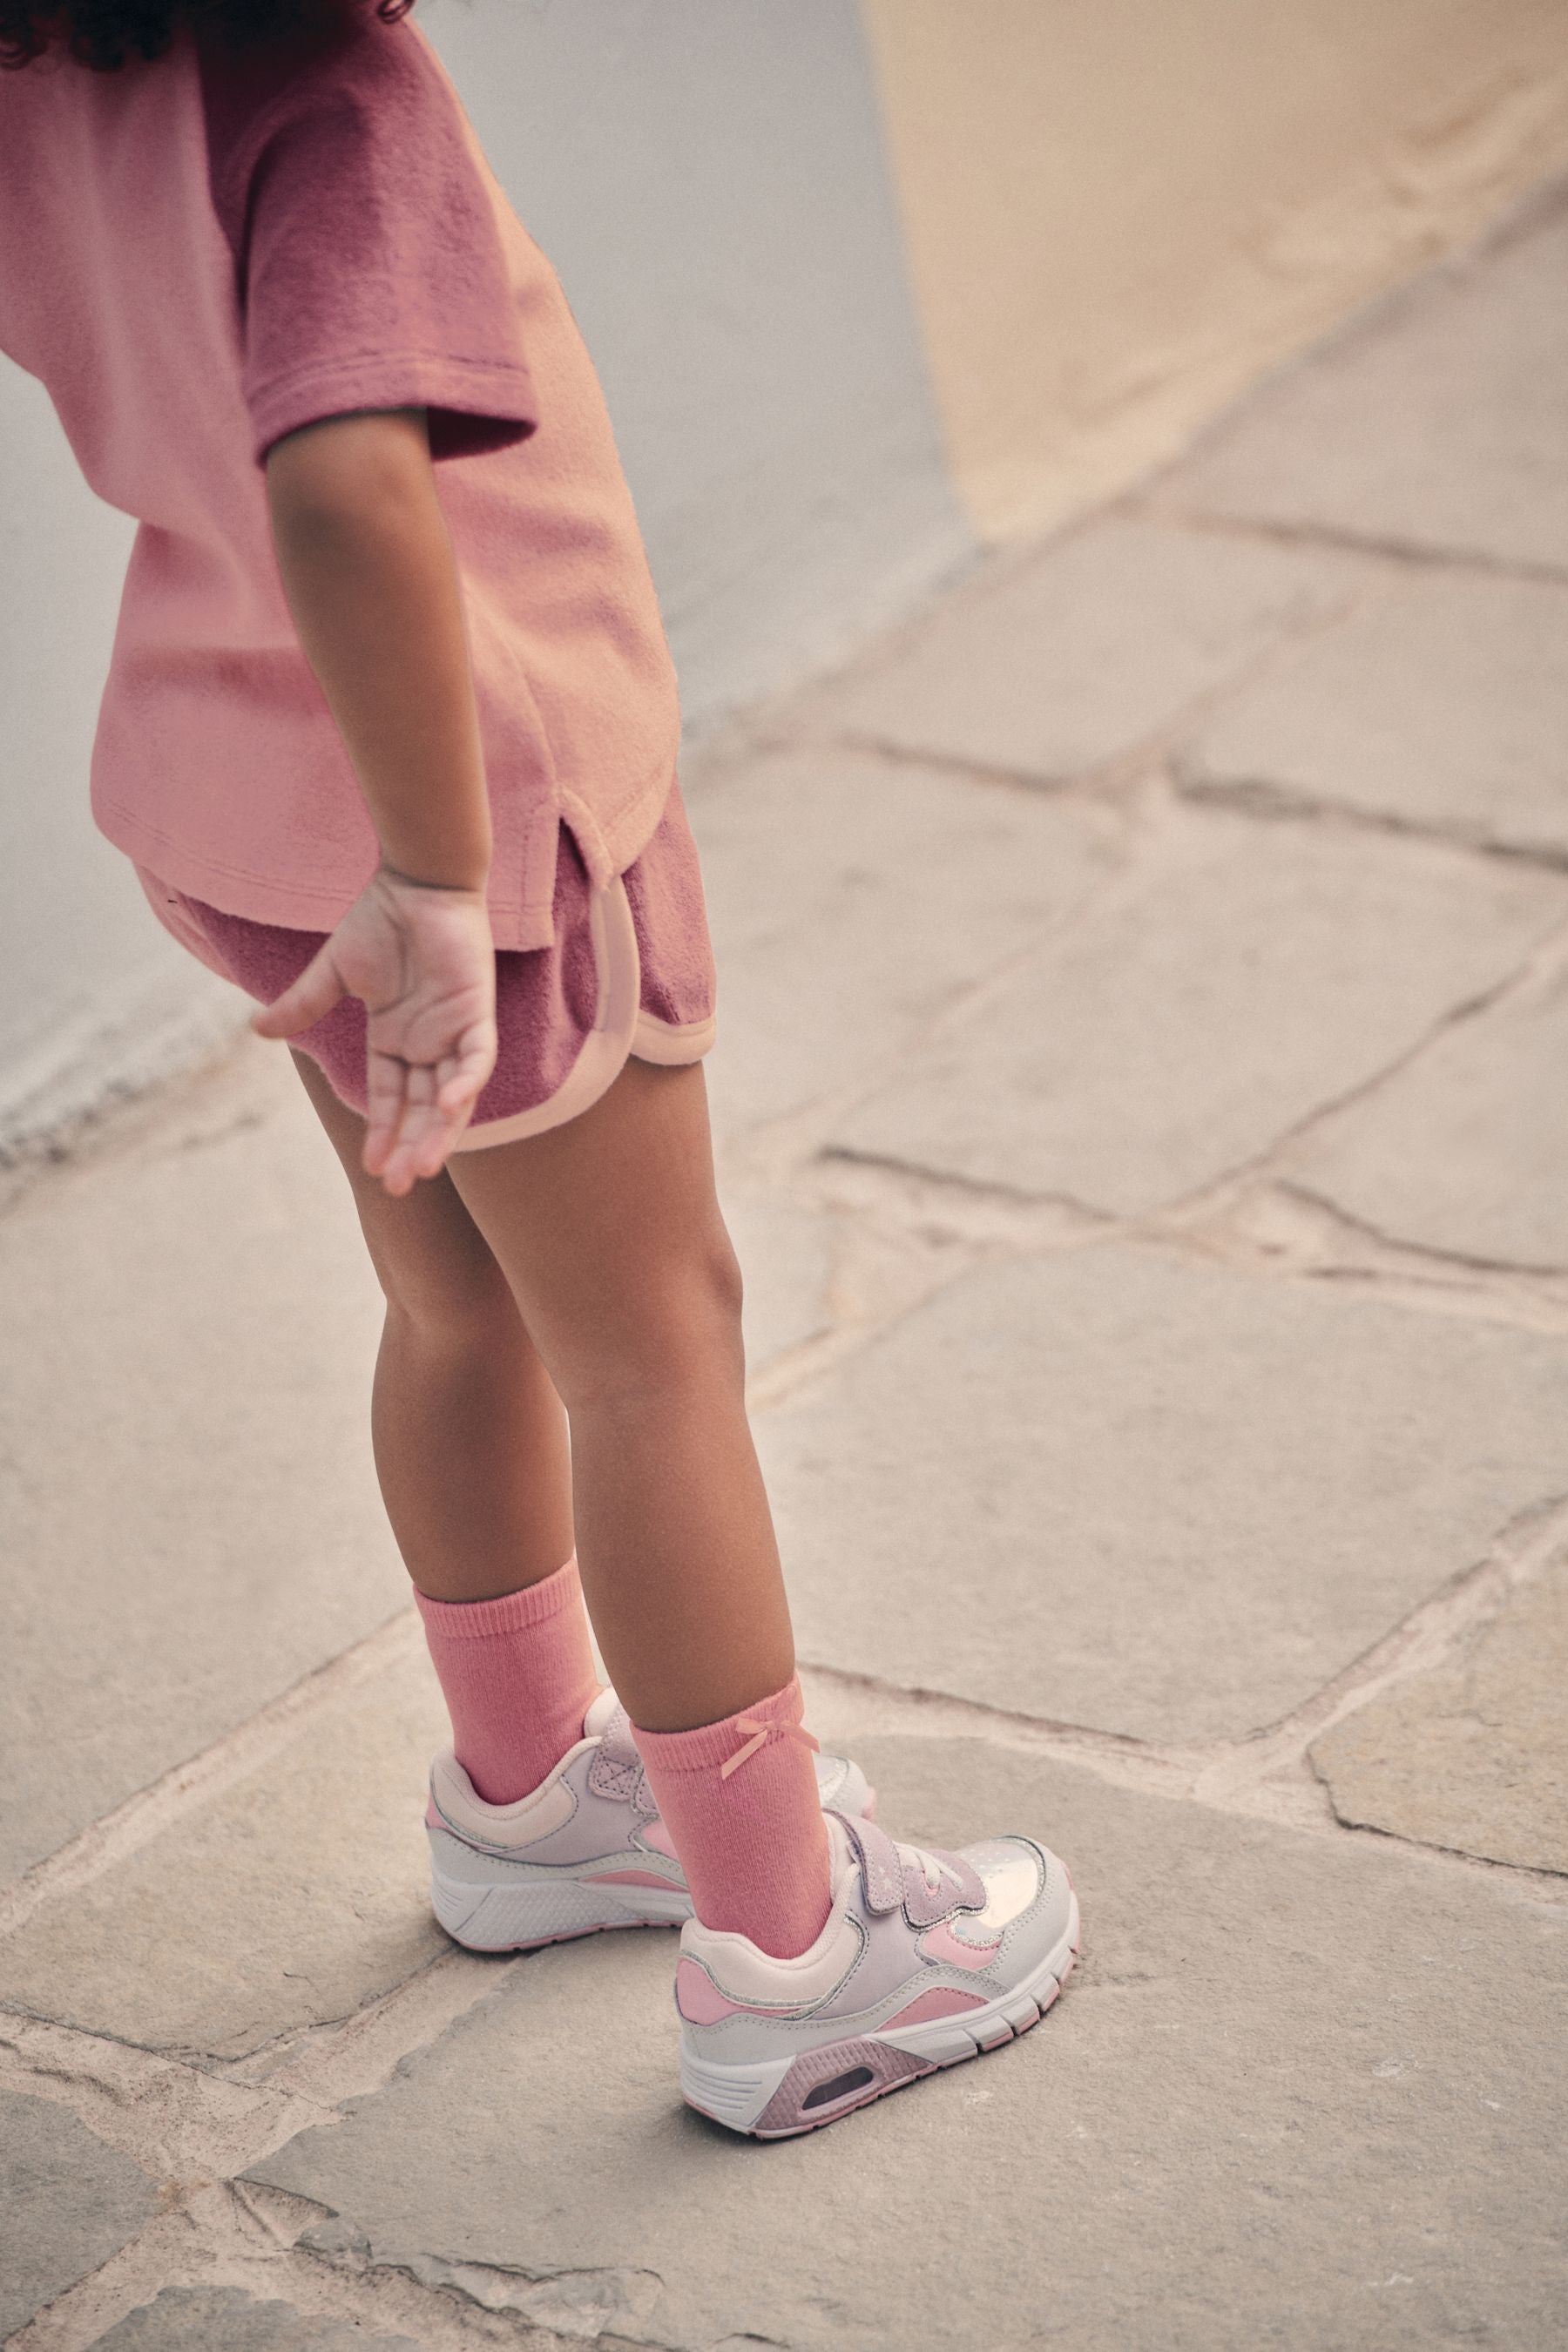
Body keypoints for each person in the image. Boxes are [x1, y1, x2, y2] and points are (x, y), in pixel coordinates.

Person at [0, 0, 1077, 2137]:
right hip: (468, 837)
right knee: (654, 1350)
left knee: (449, 1302)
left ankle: (531, 1805)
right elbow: (342, 476)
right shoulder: (326, 85)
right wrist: (430, 858)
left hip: (229, 786)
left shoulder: (47, 72)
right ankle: (796, 1959)